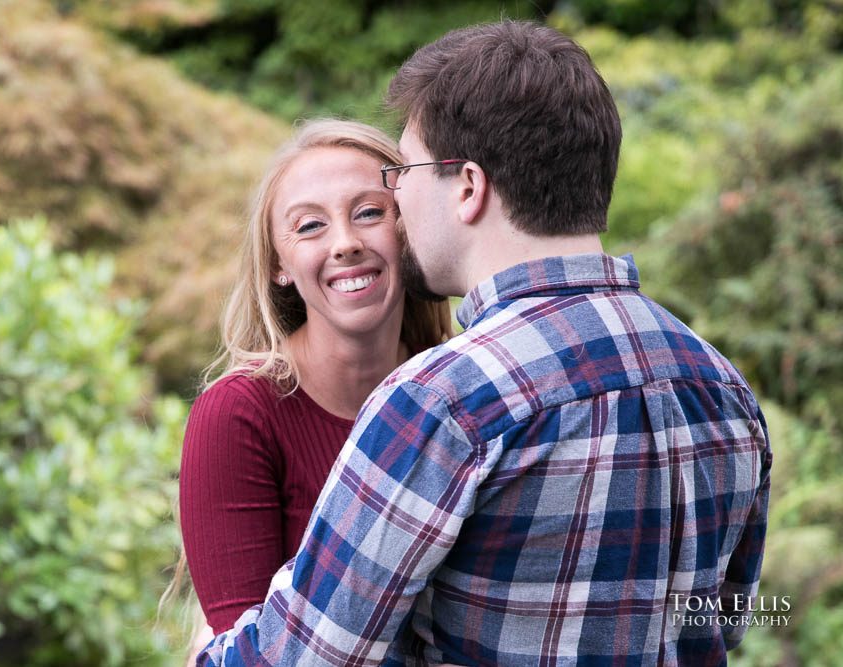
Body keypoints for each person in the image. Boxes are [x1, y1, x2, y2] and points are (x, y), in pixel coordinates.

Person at [198, 20, 772, 666]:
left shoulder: (443, 401)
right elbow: (720, 619)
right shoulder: (723, 387)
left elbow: (296, 659)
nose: (397, 196)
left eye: (404, 171)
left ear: (468, 187)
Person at [177, 119, 452, 643]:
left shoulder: (459, 393)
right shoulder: (241, 414)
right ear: (280, 264)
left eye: (369, 213)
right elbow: (247, 648)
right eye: (309, 226)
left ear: (409, 225)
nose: (345, 243)